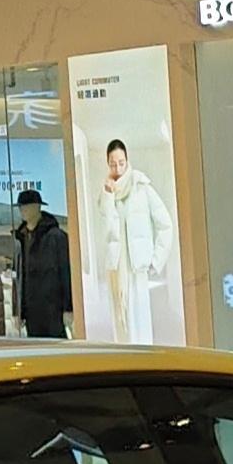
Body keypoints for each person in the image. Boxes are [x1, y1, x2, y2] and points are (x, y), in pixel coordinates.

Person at [81, 136, 178, 344]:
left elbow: (165, 224)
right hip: (116, 269)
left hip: (137, 268)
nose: (117, 168)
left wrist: (156, 260)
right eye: (113, 164)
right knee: (120, 322)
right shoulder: (106, 193)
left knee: (140, 323)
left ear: (127, 160)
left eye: (121, 163)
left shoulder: (141, 186)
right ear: (107, 164)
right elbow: (107, 223)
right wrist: (108, 194)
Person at [9, 185, 72, 341]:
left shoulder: (56, 237)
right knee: (36, 346)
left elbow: (66, 273)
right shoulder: (21, 239)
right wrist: (18, 311)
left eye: (27, 206)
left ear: (37, 207)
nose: (23, 210)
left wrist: (68, 307)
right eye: (21, 207)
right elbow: (18, 278)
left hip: (53, 309)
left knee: (57, 347)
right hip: (31, 311)